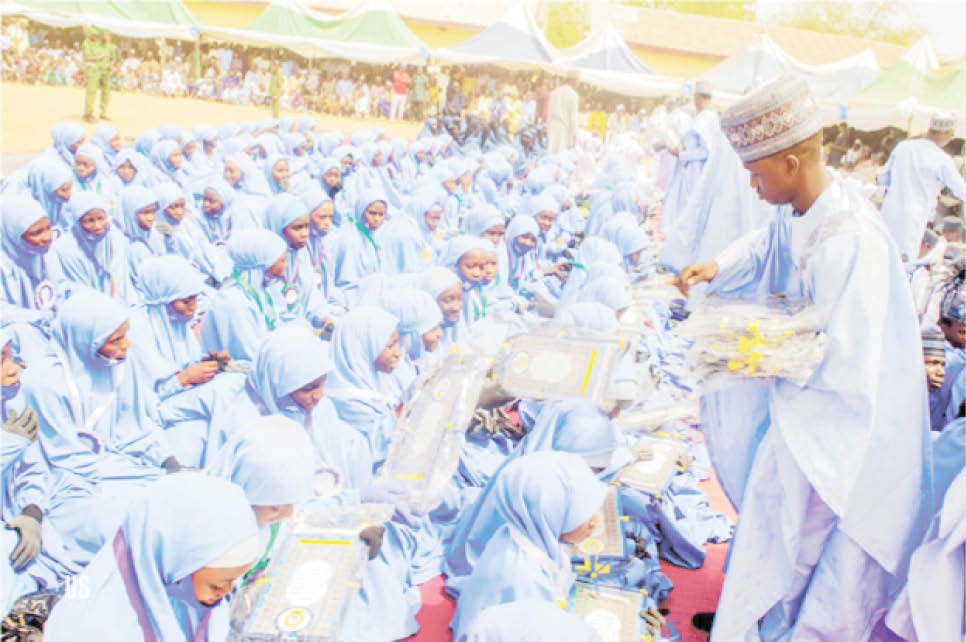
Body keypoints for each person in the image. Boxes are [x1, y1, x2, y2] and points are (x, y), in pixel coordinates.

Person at [673, 75, 932, 639]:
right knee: (774, 540)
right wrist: (720, 267)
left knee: (802, 549)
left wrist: (752, 347)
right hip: (801, 410)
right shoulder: (807, 206)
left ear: (791, 162)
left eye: (757, 174)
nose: (751, 186)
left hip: (839, 427)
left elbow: (849, 359)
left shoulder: (850, 238)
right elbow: (770, 243)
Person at [43, 473, 260, 642]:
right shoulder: (92, 629)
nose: (228, 591)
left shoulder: (174, 583)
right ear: (173, 564)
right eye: (217, 585)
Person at [448, 451, 607, 639]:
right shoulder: (526, 582)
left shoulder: (518, 533)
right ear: (548, 515)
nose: (594, 521)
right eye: (583, 514)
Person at [879, 112, 966, 261]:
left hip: (889, 211)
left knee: (883, 255)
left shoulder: (903, 147)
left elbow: (883, 178)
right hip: (914, 216)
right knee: (904, 262)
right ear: (945, 133)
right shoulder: (941, 159)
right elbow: (961, 190)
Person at [81, 28, 112, 122]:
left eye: (97, 35)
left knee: (106, 93)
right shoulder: (86, 43)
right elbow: (86, 58)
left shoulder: (102, 43)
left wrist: (111, 65)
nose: (95, 36)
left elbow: (111, 56)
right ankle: (88, 114)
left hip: (104, 70)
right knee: (91, 92)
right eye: (93, 35)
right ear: (89, 34)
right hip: (93, 70)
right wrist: (98, 58)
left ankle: (103, 114)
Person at [547, 78, 578, 155]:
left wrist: (548, 129)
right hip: (565, 128)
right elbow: (573, 117)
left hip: (553, 127)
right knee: (562, 155)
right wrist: (574, 135)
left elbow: (549, 112)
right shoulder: (573, 94)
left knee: (552, 153)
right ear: (574, 81)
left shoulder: (555, 92)